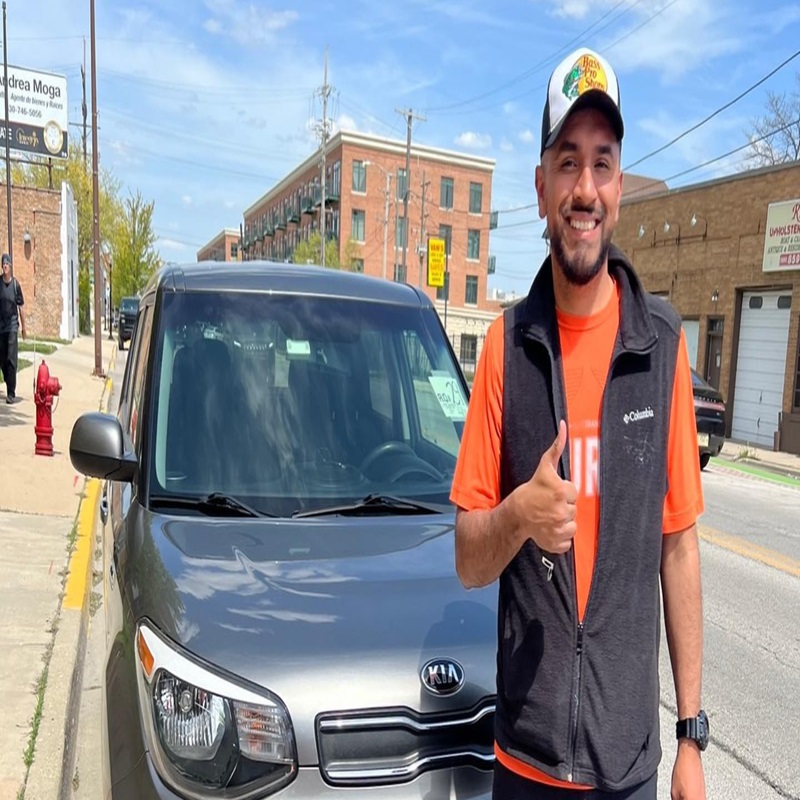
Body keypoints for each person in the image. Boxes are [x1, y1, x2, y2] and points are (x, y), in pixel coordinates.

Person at [450, 48, 707, 800]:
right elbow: (467, 559)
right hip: (526, 763)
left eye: (601, 163)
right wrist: (518, 517)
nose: (584, 188)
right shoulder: (505, 348)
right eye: (567, 162)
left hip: (628, 766)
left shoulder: (662, 348)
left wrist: (690, 737)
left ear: (619, 188)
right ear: (541, 188)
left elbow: (680, 550)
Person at [0, 253, 27, 403]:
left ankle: (11, 391)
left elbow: (21, 307)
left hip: (11, 326)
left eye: (7, 264)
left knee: (11, 358)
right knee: (2, 359)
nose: (5, 266)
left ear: (10, 266)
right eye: (3, 264)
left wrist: (24, 328)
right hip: (0, 326)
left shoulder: (16, 285)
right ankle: (7, 380)